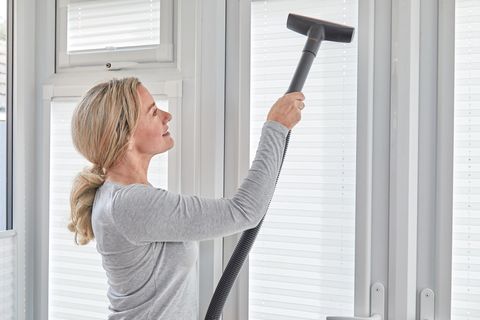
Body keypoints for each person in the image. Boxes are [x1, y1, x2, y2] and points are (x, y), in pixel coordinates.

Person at [68, 77, 305, 319]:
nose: (166, 115)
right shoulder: (131, 203)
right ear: (124, 135)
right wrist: (276, 127)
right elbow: (245, 211)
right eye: (152, 112)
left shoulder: (115, 195)